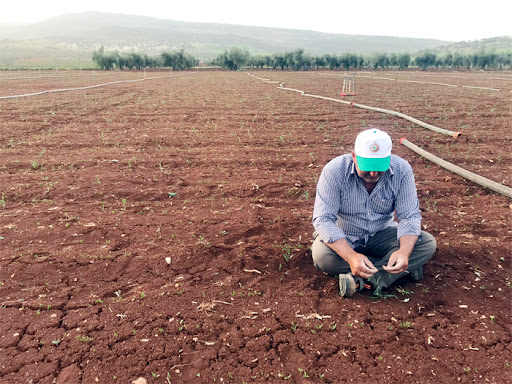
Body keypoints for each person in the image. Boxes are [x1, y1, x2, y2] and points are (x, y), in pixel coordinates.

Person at [311, 128, 436, 297]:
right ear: (354, 156)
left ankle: (367, 280)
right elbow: (323, 219)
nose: (373, 174)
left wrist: (404, 251)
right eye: (368, 167)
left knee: (426, 243)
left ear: (389, 158)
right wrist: (350, 256)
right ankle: (400, 270)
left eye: (379, 168)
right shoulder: (334, 171)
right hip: (346, 233)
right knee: (323, 257)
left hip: (381, 232)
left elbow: (409, 215)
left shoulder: (402, 170)